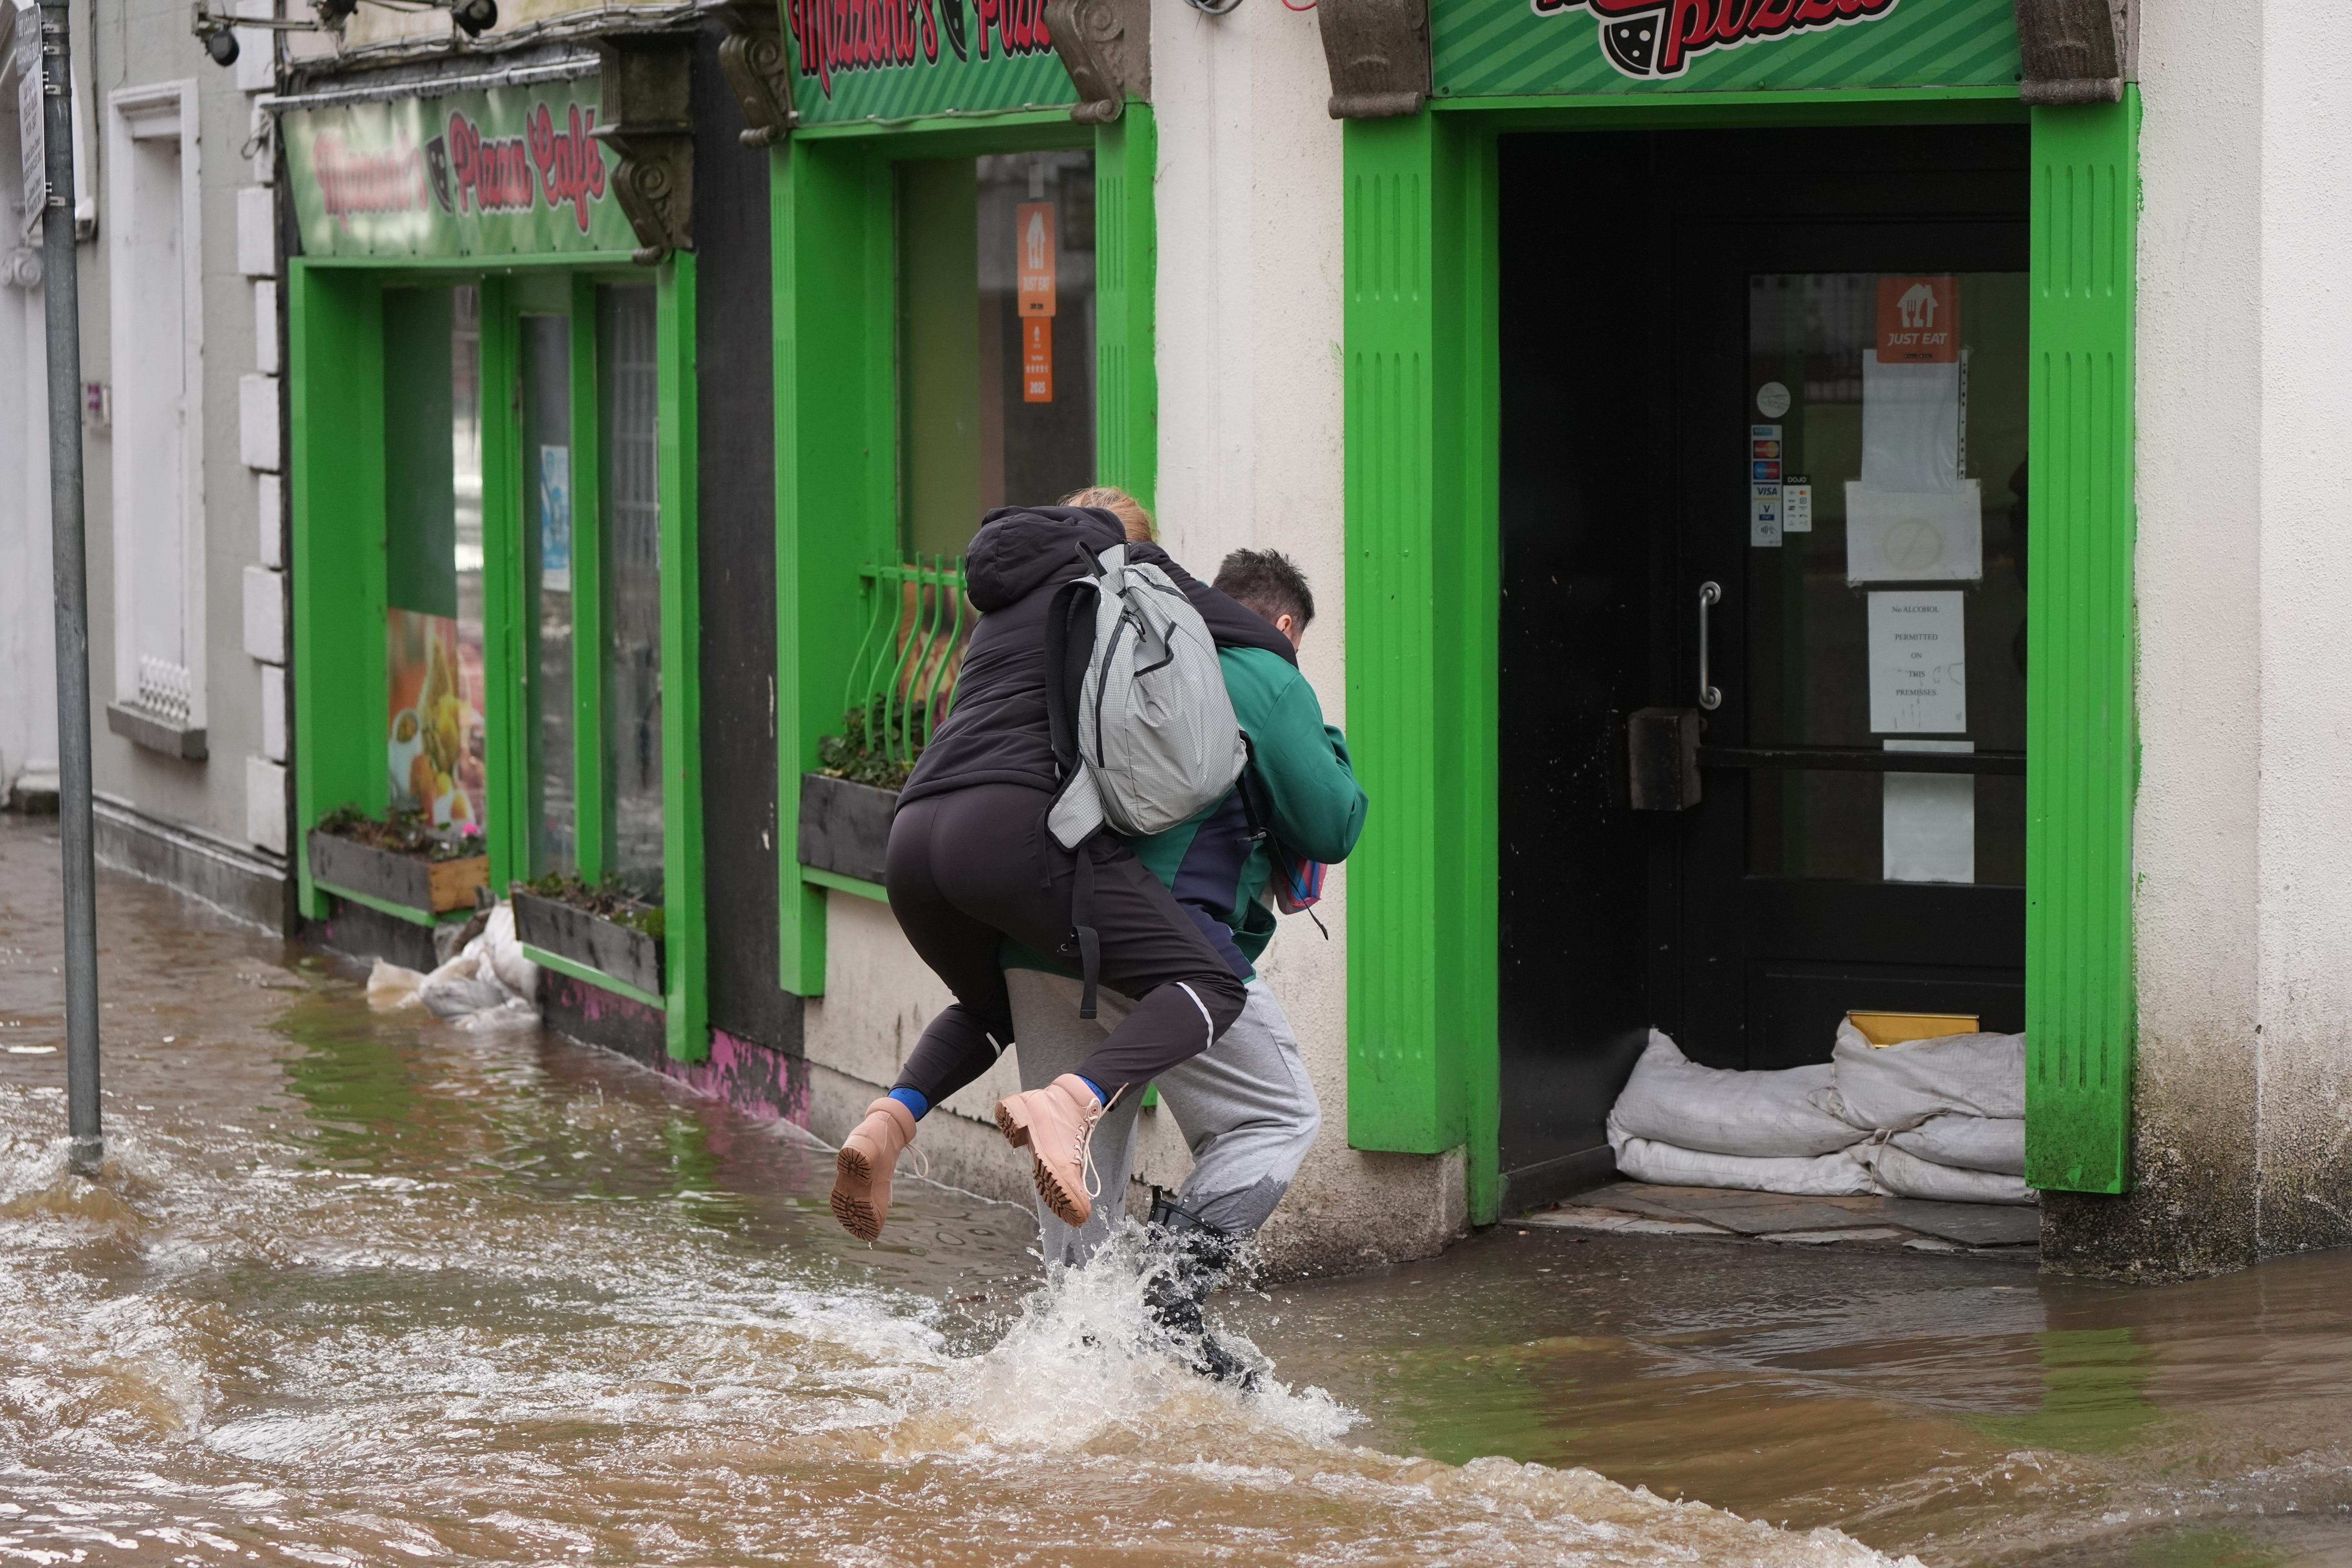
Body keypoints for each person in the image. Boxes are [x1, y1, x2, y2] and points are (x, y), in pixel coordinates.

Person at [828, 489, 1296, 1243]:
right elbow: (1258, 641)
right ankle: (1073, 1102)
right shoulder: (1120, 559)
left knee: (990, 1009)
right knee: (1208, 982)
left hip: (915, 835)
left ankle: (887, 1121)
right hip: (1010, 829)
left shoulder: (1004, 594)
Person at [1004, 546, 1365, 1383]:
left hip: (1043, 934)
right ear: (1281, 625)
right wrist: (1321, 733)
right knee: (1277, 1116)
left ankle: (1070, 1390)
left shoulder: (1119, 648)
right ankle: (1163, 1295)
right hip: (1166, 945)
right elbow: (1332, 823)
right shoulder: (1261, 672)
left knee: (1081, 1164)